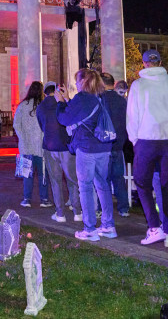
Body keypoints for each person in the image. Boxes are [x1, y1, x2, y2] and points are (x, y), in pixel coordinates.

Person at [127, 49, 168, 248]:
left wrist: (135, 140)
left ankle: (154, 226)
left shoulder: (138, 85)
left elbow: (132, 116)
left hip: (146, 140)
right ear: (160, 62)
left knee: (142, 183)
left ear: (144, 64)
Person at [57, 69, 116, 242]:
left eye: (77, 81)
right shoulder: (100, 97)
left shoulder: (82, 98)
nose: (75, 84)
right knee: (103, 185)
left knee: (86, 187)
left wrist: (61, 103)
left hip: (87, 147)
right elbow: (83, 114)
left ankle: (90, 228)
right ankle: (108, 225)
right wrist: (68, 99)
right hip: (104, 147)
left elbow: (65, 119)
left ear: (83, 82)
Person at [37, 81, 82, 222]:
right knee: (72, 180)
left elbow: (41, 126)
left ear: (44, 93)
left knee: (55, 181)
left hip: (50, 146)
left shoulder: (41, 107)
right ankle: (77, 212)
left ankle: (60, 213)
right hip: (66, 146)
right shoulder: (62, 103)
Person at [14, 81, 50, 208]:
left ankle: (26, 199)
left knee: (27, 174)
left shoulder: (23, 105)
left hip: (26, 145)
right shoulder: (43, 105)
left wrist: (22, 138)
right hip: (41, 145)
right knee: (42, 174)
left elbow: (16, 124)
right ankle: (44, 199)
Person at [101, 73, 130, 218]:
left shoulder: (100, 100)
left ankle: (103, 209)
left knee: (103, 179)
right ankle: (123, 208)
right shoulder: (122, 101)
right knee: (118, 178)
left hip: (104, 145)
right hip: (119, 145)